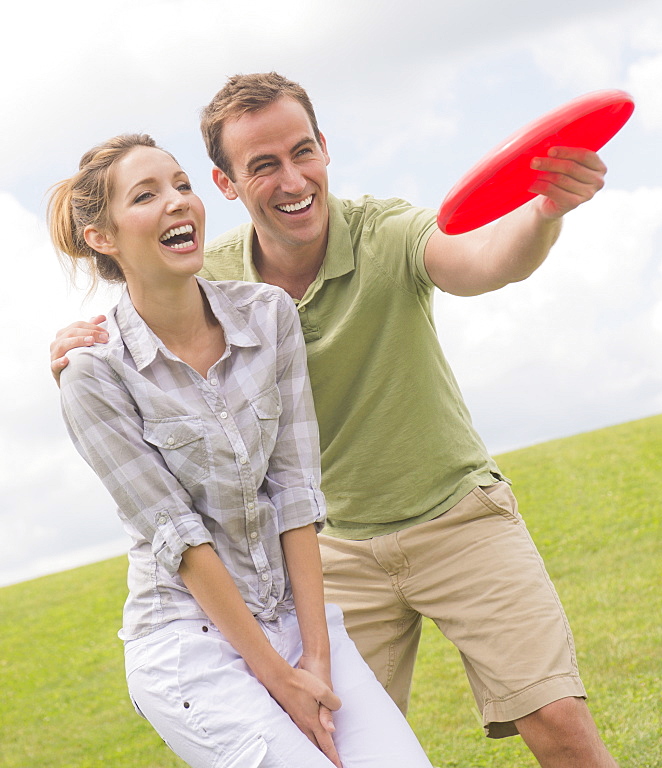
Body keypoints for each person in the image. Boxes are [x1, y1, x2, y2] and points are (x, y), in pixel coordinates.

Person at [51, 74, 618, 768]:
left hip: (456, 518)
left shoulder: (380, 231)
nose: (292, 180)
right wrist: (77, 348)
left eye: (302, 152)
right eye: (262, 165)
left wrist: (541, 213)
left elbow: (479, 262)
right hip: (329, 553)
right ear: (225, 184)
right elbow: (140, 323)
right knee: (337, 748)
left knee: (558, 722)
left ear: (324, 148)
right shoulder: (212, 278)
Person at [48, 133, 433, 768]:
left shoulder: (268, 315)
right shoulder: (93, 374)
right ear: (103, 238)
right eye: (147, 196)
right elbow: (180, 539)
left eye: (181, 185)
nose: (178, 203)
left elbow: (296, 490)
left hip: (294, 620)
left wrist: (314, 655)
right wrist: (279, 681)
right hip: (188, 644)